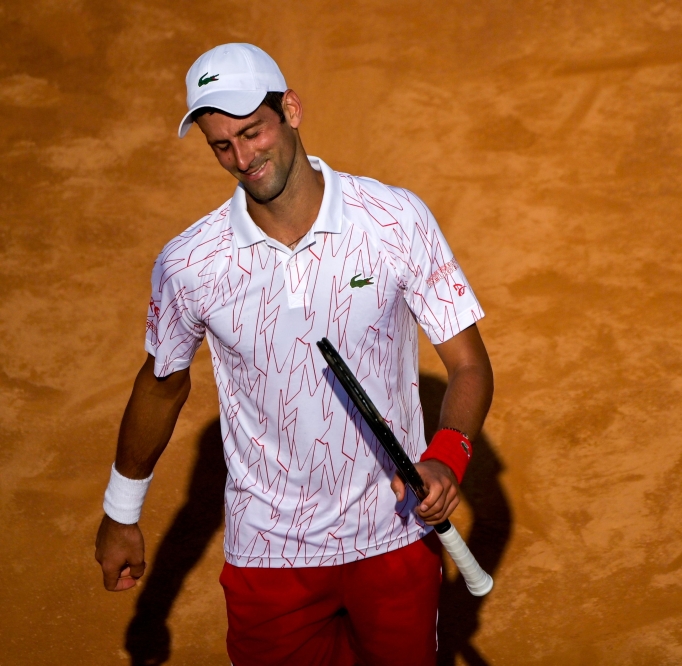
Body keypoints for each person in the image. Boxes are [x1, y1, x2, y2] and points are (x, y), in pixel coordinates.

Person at [93, 42, 493, 666]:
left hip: (393, 540)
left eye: (253, 133)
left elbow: (467, 364)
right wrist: (122, 512)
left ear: (292, 110)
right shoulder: (190, 265)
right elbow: (162, 384)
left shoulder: (393, 221)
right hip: (269, 557)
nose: (243, 159)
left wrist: (445, 457)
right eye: (222, 146)